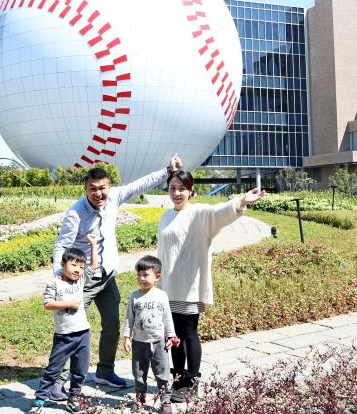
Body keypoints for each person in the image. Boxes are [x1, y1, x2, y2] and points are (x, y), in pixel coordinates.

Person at [52, 155, 182, 390]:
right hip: (83, 280)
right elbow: (61, 245)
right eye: (93, 189)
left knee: (111, 325)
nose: (98, 194)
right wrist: (60, 275)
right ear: (85, 189)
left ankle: (104, 371)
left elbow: (140, 184)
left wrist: (167, 170)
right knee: (70, 328)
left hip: (107, 277)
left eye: (102, 188)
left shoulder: (114, 198)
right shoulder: (75, 214)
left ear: (109, 187)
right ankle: (57, 381)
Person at [156, 170, 265, 403]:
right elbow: (162, 251)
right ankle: (178, 378)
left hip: (190, 286)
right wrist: (157, 280)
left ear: (191, 190)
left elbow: (220, 212)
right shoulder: (165, 216)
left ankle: (192, 382)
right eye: (173, 188)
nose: (177, 193)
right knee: (173, 334)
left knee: (189, 333)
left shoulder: (199, 213)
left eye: (182, 189)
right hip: (168, 286)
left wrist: (240, 202)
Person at [29, 235, 98, 414]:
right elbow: (47, 304)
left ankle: (73, 398)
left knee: (80, 370)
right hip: (64, 335)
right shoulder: (54, 283)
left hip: (83, 333)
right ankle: (39, 400)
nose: (78, 270)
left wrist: (93, 244)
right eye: (73, 265)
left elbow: (94, 265)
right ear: (62, 265)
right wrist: (68, 304)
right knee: (53, 369)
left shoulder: (81, 281)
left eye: (81, 267)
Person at [123, 255, 179, 414]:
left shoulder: (162, 296)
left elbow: (168, 318)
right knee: (139, 374)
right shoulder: (134, 296)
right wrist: (127, 337)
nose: (141, 278)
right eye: (138, 274)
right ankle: (140, 398)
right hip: (139, 342)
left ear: (157, 277)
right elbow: (129, 318)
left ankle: (165, 400)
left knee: (163, 373)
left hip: (159, 342)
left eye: (145, 275)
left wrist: (171, 336)